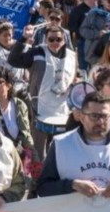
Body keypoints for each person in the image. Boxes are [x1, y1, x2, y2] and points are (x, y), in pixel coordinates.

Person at [37, 92, 110, 197]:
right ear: (82, 118)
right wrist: (72, 185)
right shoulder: (60, 144)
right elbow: (43, 188)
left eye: (105, 116)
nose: (100, 122)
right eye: (94, 116)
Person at [9, 24, 77, 160]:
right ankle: (37, 179)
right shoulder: (38, 52)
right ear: (46, 39)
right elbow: (13, 60)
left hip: (62, 111)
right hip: (39, 110)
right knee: (38, 153)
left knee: (60, 152)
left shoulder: (71, 56)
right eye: (51, 39)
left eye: (58, 39)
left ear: (64, 39)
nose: (55, 43)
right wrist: (23, 39)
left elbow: (75, 77)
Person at [0, 66, 38, 194]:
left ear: (8, 85)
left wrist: (35, 165)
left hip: (16, 155)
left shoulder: (19, 105)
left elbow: (26, 136)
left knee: (21, 190)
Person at [80, 0, 110, 66]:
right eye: (109, 1)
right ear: (102, 2)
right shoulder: (94, 14)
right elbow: (83, 30)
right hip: (96, 52)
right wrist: (98, 34)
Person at [68, 0, 98, 70]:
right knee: (83, 68)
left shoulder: (98, 10)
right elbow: (72, 26)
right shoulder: (77, 11)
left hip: (96, 43)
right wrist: (86, 34)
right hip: (83, 43)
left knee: (96, 67)